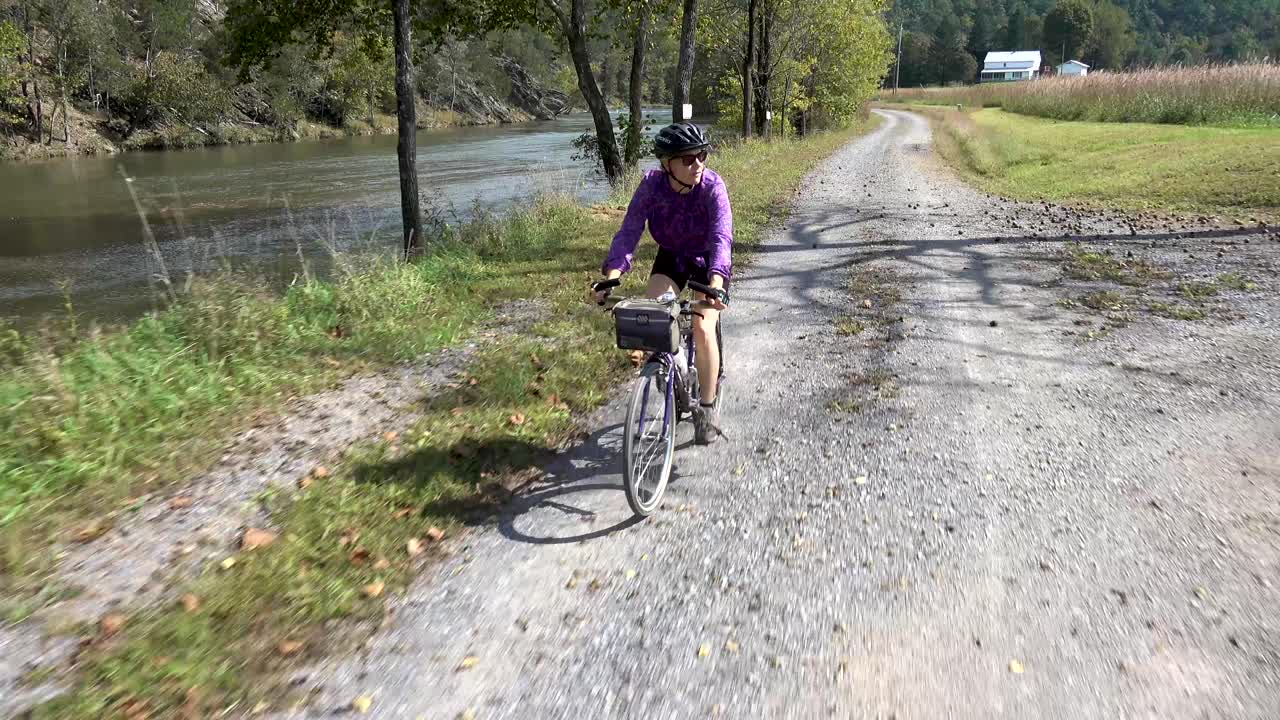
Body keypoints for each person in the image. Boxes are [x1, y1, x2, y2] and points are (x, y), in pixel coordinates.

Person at [589, 122, 733, 445]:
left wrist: (717, 282)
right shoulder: (651, 186)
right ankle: (673, 365)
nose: (698, 164)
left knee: (703, 327)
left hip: (708, 261)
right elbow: (629, 231)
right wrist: (611, 278)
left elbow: (722, 237)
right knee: (656, 317)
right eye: (688, 159)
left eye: (702, 156)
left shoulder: (712, 187)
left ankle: (707, 409)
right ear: (667, 164)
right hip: (672, 257)